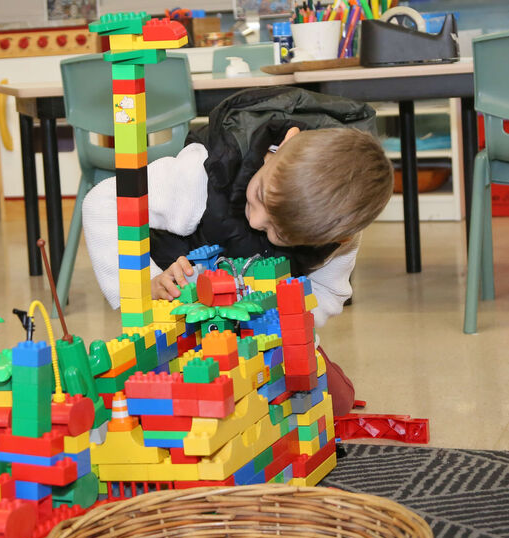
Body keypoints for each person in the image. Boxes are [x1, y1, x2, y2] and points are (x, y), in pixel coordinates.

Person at [82, 87, 394, 414]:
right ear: (282, 145)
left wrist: (282, 329)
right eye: (259, 195)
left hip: (255, 330)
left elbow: (328, 291)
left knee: (332, 403)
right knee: (159, 405)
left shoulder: (334, 234)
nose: (256, 219)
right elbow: (103, 204)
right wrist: (146, 284)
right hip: (176, 308)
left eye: (279, 232)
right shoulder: (200, 175)